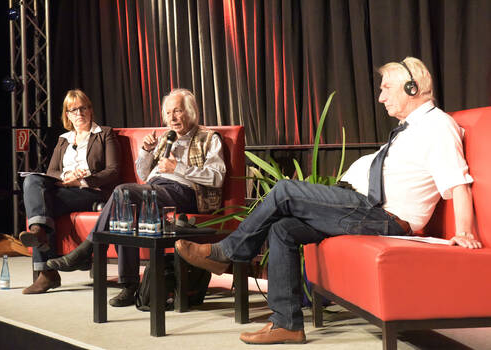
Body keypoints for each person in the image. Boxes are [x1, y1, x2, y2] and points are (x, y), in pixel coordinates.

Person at [174, 57, 483, 345]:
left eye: (386, 88)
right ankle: (288, 324)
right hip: (363, 208)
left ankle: (226, 252)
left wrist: (466, 231)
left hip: (382, 217)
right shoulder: (409, 130)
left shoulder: (437, 126)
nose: (381, 97)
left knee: (284, 190)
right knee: (283, 229)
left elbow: (458, 181)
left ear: (411, 87)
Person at [46, 88, 226, 307]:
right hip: (155, 190)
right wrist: (146, 152)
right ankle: (130, 286)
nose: (172, 118)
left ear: (191, 112)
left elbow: (216, 177)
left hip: (184, 193)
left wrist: (177, 167)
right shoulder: (165, 139)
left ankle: (87, 250)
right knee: (125, 209)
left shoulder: (208, 138)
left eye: (177, 112)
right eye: (168, 113)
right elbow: (143, 175)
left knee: (123, 192)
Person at [19, 89, 121, 294]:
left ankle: (47, 272)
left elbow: (113, 171)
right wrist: (66, 177)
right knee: (31, 180)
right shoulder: (63, 139)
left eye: (83, 108)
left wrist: (82, 179)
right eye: (73, 110)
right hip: (66, 190)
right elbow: (52, 171)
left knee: (43, 205)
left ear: (90, 110)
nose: (79, 113)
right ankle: (40, 234)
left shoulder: (104, 134)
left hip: (91, 191)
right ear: (67, 115)